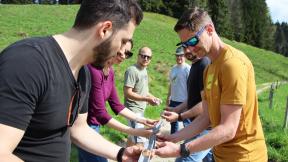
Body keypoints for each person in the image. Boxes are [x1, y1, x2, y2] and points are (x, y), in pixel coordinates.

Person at [0, 0, 145, 162]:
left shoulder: (83, 73)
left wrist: (121, 153)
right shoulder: (27, 62)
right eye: (124, 41)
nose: (122, 51)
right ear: (105, 29)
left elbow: (79, 129)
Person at [155, 7, 268, 162]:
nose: (189, 49)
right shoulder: (209, 69)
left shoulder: (232, 64)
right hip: (220, 155)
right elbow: (206, 117)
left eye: (193, 41)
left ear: (209, 29)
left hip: (244, 156)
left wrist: (181, 150)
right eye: (184, 45)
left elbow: (228, 129)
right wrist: (173, 138)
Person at [78, 40, 157, 162]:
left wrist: (143, 120)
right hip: (84, 127)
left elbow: (116, 105)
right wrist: (134, 131)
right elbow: (101, 113)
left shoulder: (110, 71)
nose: (124, 56)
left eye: (128, 53)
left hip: (94, 125)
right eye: (122, 52)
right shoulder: (94, 70)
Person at [162, 49, 212, 162]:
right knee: (209, 158)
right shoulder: (195, 66)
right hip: (198, 124)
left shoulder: (204, 64)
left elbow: (206, 103)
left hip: (205, 127)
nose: (187, 49)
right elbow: (193, 97)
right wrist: (176, 109)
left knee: (183, 160)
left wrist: (180, 116)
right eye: (184, 47)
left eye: (190, 44)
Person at [124, 46, 161, 146]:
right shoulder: (132, 70)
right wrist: (147, 99)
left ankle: (124, 158)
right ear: (138, 56)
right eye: (143, 56)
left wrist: (153, 97)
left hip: (140, 110)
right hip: (133, 111)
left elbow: (144, 91)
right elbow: (127, 93)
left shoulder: (144, 70)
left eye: (148, 57)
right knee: (140, 142)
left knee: (132, 137)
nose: (145, 59)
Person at [165, 46, 190, 134]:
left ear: (185, 56)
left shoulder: (188, 69)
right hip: (173, 100)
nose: (179, 57)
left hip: (184, 101)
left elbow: (191, 86)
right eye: (177, 55)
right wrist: (168, 97)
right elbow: (171, 84)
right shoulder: (173, 68)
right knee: (173, 122)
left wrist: (189, 101)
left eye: (181, 55)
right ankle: (172, 140)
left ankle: (188, 141)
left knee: (186, 123)